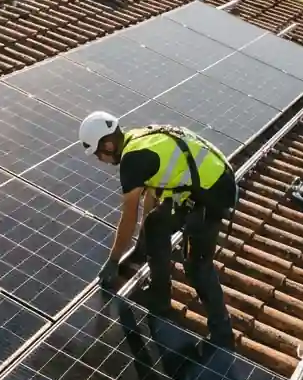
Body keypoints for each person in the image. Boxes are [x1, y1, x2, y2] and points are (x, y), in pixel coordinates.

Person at [79, 110, 238, 347]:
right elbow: (151, 197)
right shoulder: (137, 139)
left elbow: (129, 216)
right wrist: (142, 246)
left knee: (197, 266)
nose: (100, 160)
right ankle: (160, 298)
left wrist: (113, 261)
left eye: (98, 154)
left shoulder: (132, 160)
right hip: (200, 186)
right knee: (155, 225)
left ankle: (222, 331)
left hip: (213, 195)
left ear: (109, 145)